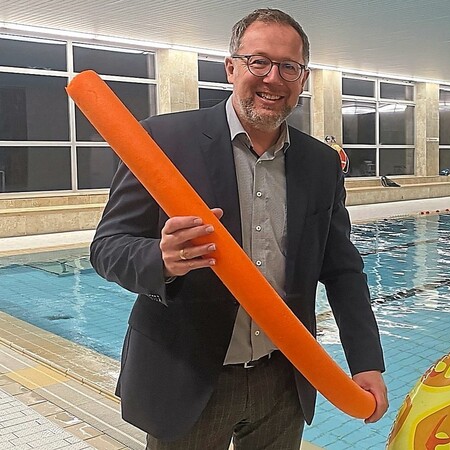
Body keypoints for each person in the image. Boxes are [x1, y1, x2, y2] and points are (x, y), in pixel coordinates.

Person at [90, 8, 387, 449]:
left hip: (283, 382)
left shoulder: (321, 164)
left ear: (303, 78)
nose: (273, 78)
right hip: (188, 379)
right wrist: (161, 259)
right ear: (231, 67)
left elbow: (343, 269)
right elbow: (108, 248)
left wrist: (366, 362)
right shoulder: (163, 142)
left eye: (289, 67)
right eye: (259, 61)